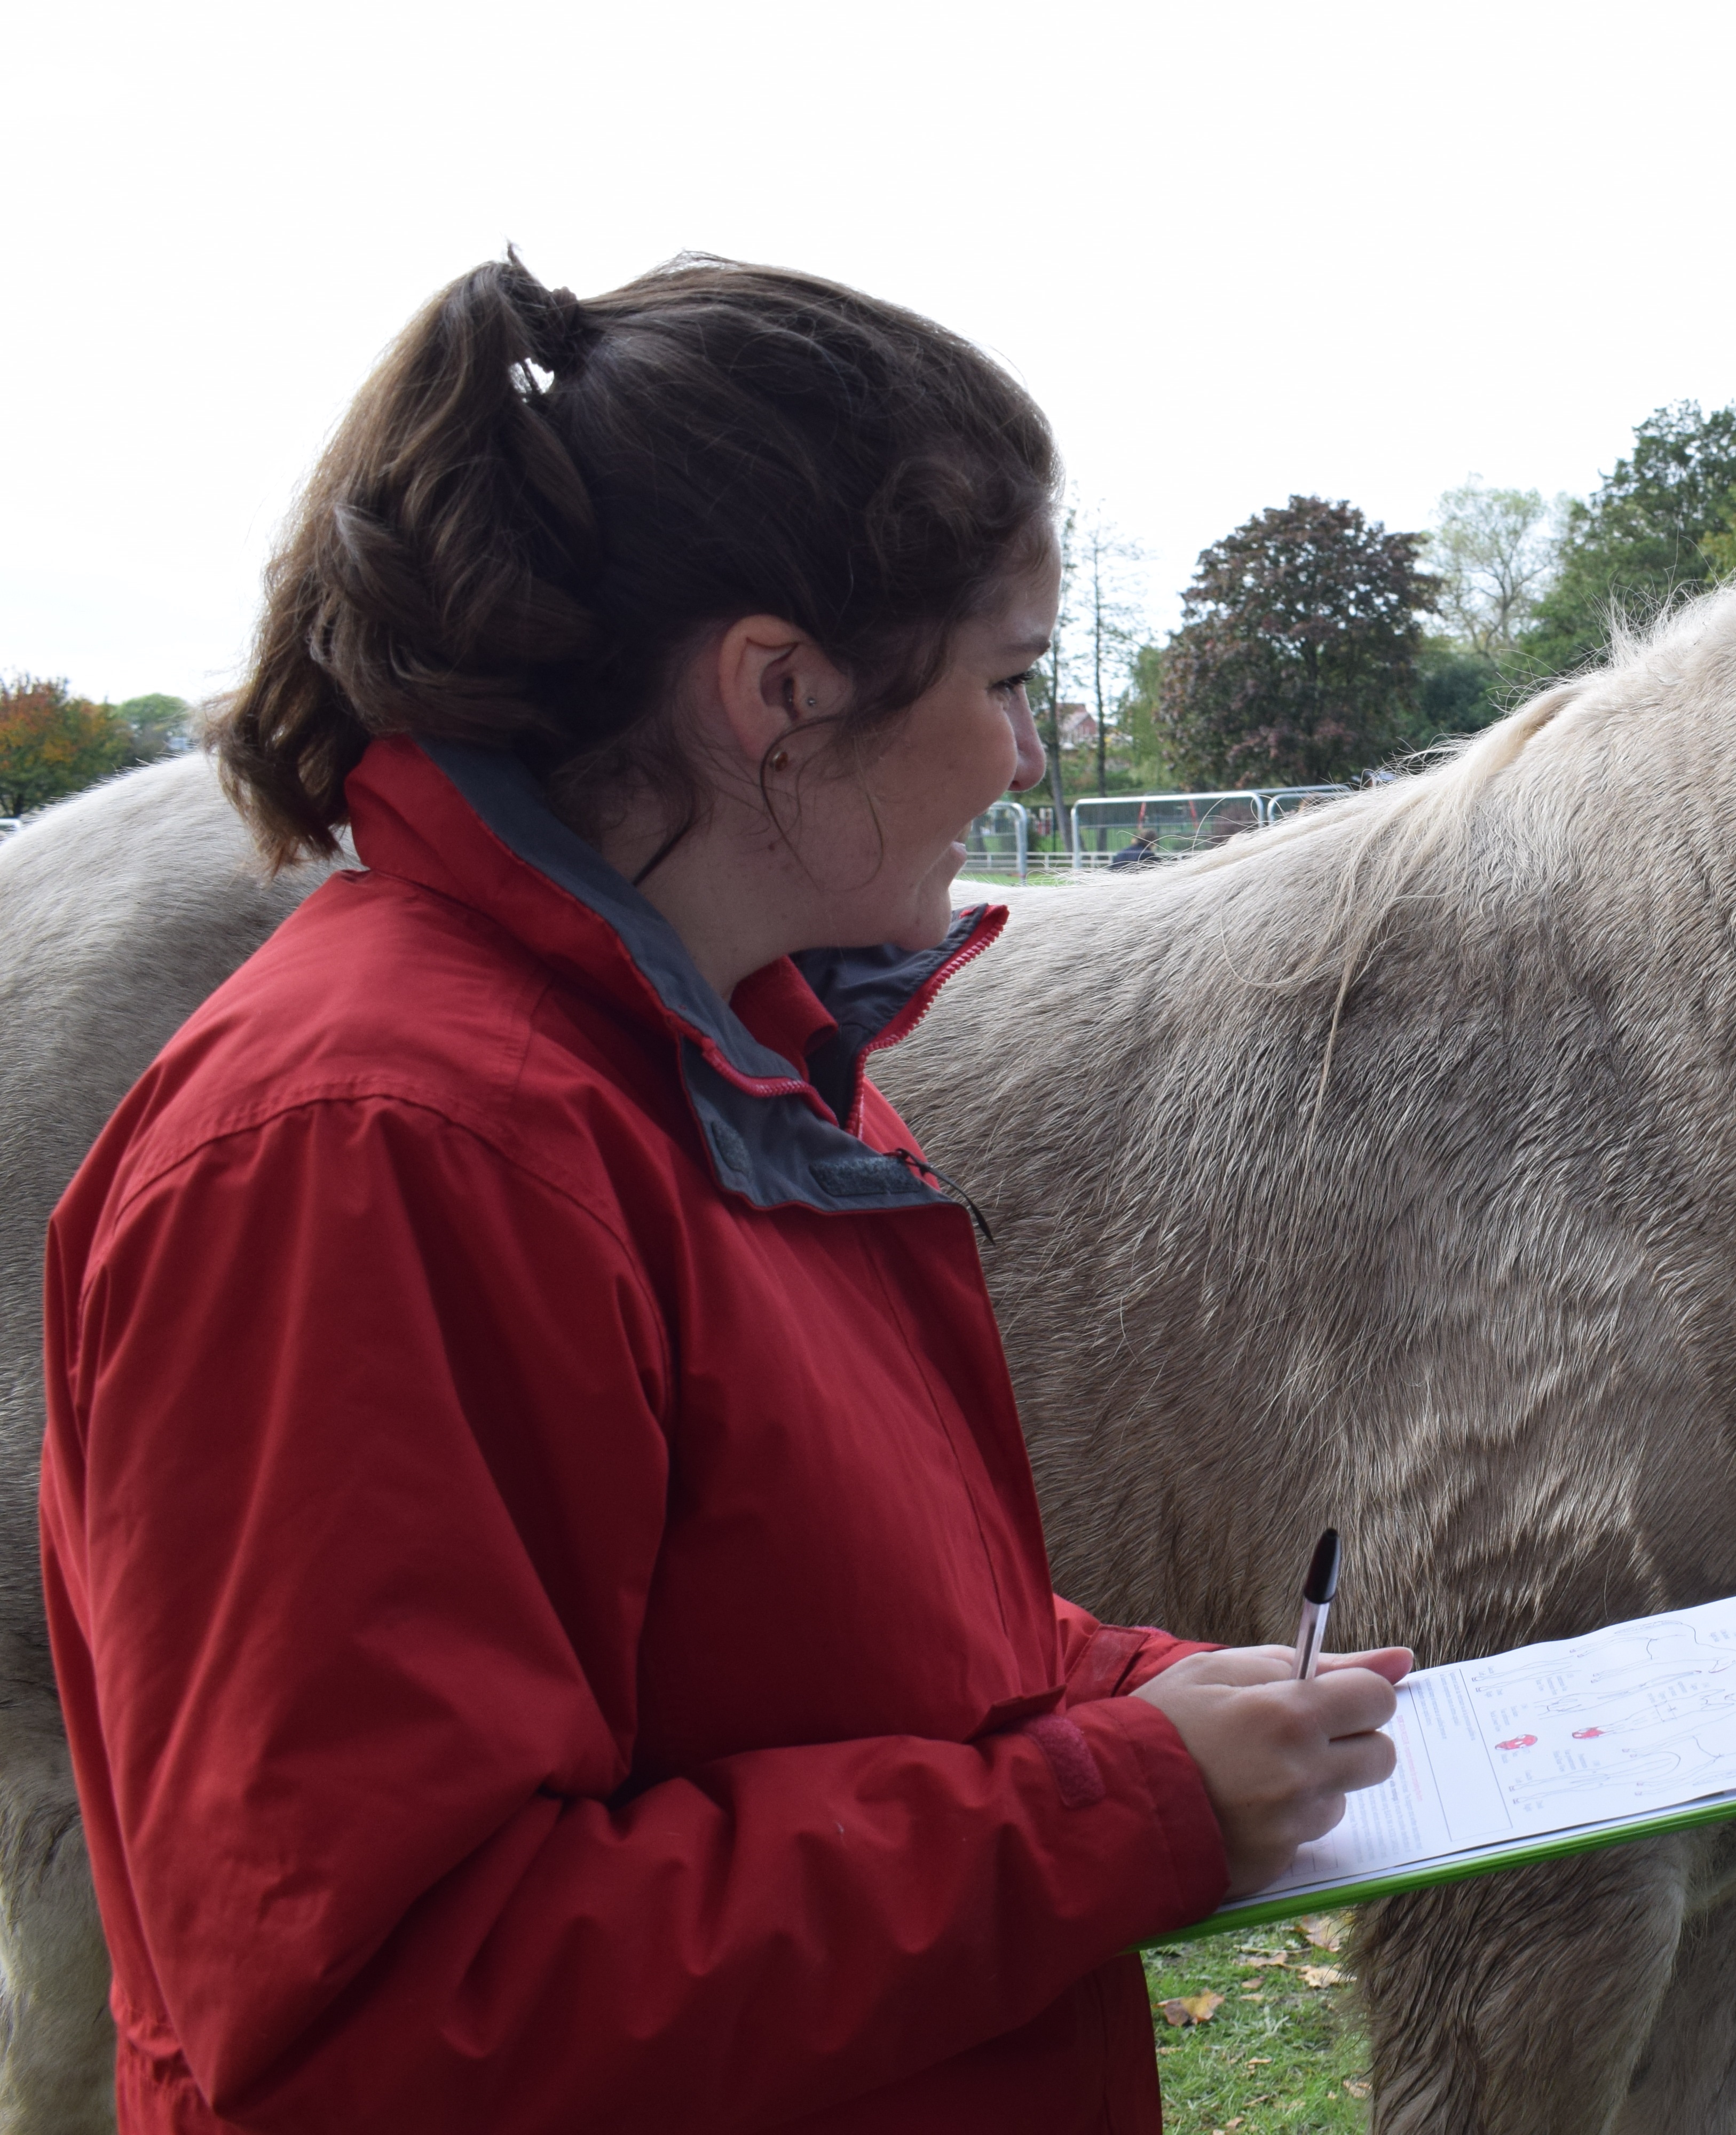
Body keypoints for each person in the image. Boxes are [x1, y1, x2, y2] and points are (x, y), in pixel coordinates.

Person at [40, 254, 1409, 2134]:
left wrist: (1160, 1694)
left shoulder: (722, 1067)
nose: (1024, 757)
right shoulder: (377, 1152)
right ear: (779, 687)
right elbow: (380, 2020)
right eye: (1008, 681)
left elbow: (822, 1648)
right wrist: (1122, 1804)